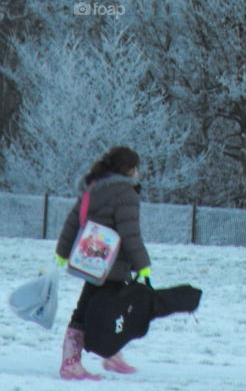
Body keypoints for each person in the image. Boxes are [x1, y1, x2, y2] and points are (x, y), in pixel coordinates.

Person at [54, 145, 152, 381]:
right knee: (89, 309)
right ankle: (72, 362)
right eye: (137, 168)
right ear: (130, 169)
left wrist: (63, 252)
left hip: (91, 259)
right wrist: (143, 264)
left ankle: (111, 355)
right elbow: (130, 233)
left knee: (108, 308)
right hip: (112, 264)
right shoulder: (126, 193)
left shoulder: (92, 189)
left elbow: (72, 222)